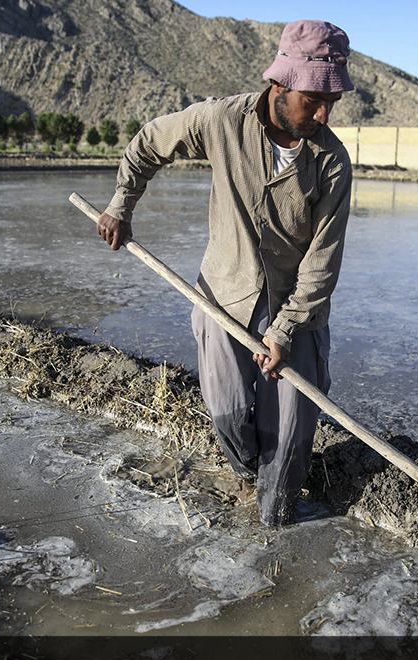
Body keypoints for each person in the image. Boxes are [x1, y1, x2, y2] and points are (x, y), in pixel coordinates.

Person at [96, 19, 355, 526]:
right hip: (225, 296)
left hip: (295, 310)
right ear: (280, 84)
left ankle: (274, 521)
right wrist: (121, 204)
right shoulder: (222, 122)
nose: (323, 114)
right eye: (312, 100)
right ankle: (242, 478)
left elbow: (322, 263)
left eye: (332, 103)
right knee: (231, 412)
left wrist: (282, 331)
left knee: (292, 439)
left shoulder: (331, 163)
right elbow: (150, 142)